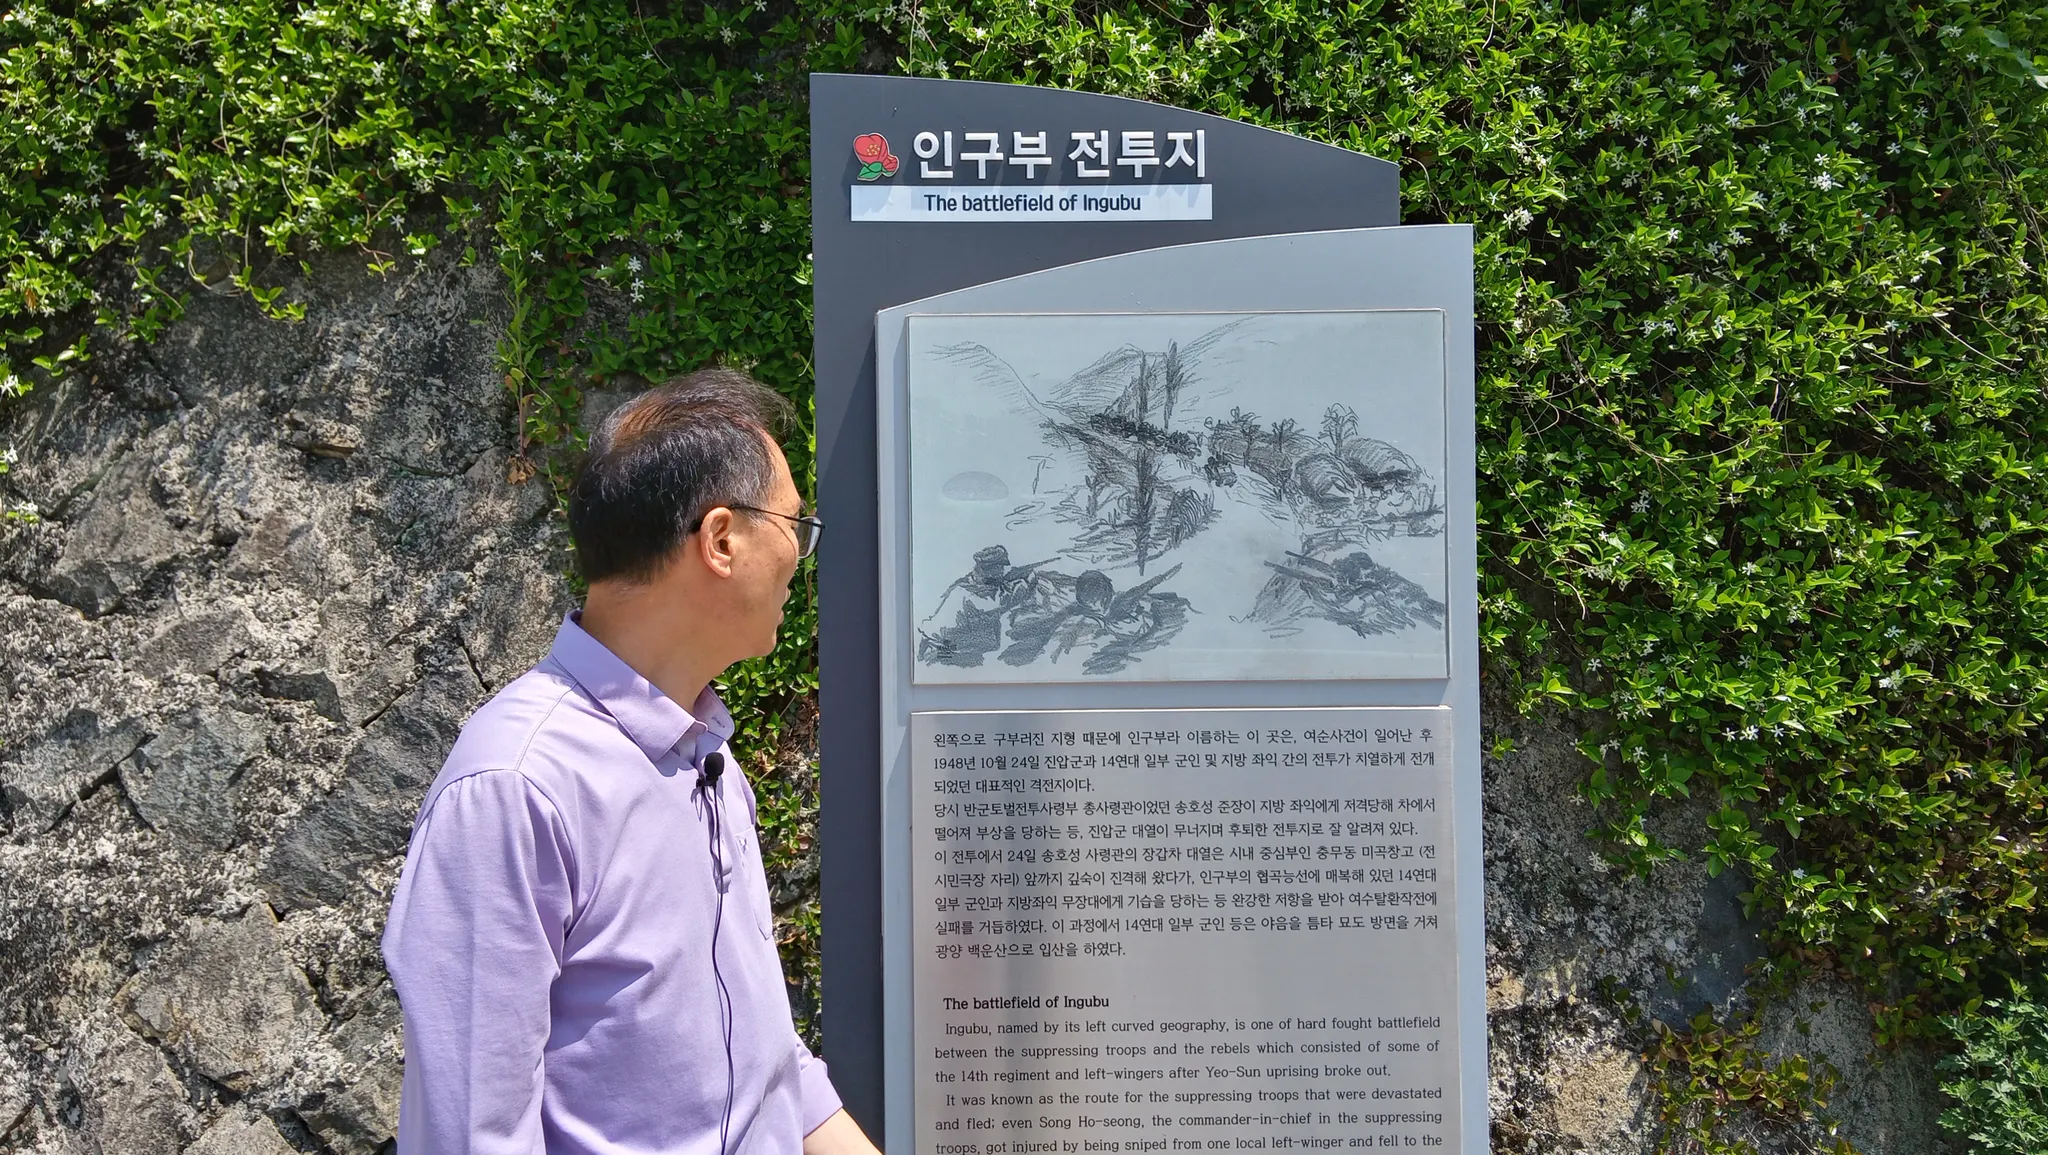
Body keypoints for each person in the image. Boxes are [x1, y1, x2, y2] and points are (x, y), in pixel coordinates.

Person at [381, 369, 879, 1155]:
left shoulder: (707, 758)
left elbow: (771, 1069)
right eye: (795, 524)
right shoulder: (516, 789)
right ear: (721, 539)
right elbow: (474, 1136)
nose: (799, 553)